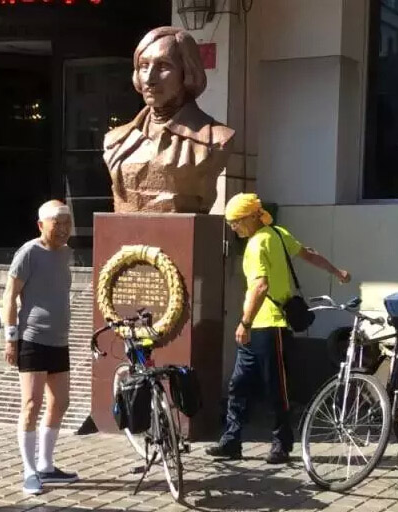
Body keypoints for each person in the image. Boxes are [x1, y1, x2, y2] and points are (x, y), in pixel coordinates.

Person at [207, 193, 351, 464]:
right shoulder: (278, 233)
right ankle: (231, 440)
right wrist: (337, 271)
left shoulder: (257, 244)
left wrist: (245, 323)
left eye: (236, 221)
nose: (233, 227)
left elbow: (260, 286)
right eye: (231, 223)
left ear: (251, 217)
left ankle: (281, 444)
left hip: (269, 325)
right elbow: (308, 254)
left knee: (275, 388)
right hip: (259, 327)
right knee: (239, 384)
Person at [103, 26, 235, 214]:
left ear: (187, 72)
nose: (149, 79)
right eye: (144, 66)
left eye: (163, 66)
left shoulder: (216, 139)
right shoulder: (116, 140)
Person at [3, 199, 78, 495]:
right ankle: (29, 470)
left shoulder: (66, 253)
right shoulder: (28, 253)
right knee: (31, 405)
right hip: (32, 339)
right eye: (57, 223)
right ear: (41, 225)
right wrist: (11, 338)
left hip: (59, 339)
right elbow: (10, 296)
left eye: (67, 223)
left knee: (60, 402)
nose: (63, 229)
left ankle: (46, 465)